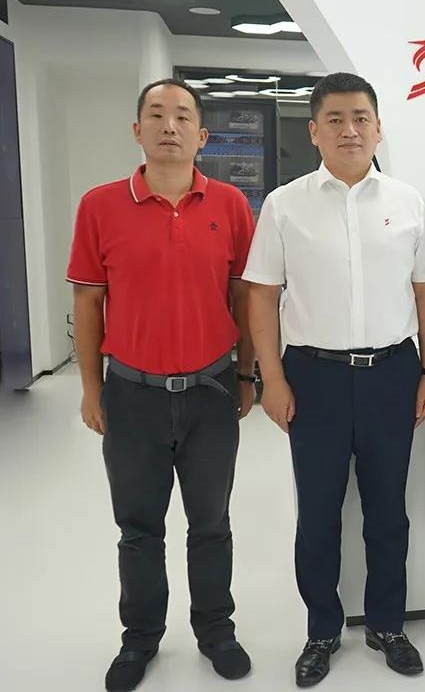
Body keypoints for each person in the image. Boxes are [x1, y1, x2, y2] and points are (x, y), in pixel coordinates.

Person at [243, 73, 425, 684]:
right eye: (335, 119)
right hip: (313, 378)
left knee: (388, 513)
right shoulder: (284, 204)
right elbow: (261, 295)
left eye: (361, 118)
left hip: (392, 374)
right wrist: (271, 379)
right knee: (318, 514)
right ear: (314, 131)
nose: (349, 130)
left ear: (379, 128)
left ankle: (387, 624)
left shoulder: (408, 201)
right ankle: (322, 630)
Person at [68, 78, 257, 691]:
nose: (169, 126)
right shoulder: (100, 206)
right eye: (156, 115)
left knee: (211, 524)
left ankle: (216, 631)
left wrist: (247, 374)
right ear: (137, 130)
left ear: (202, 136)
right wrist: (92, 389)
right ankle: (140, 637)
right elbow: (88, 302)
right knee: (139, 529)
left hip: (211, 390)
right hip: (131, 395)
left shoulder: (230, 205)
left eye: (182, 117)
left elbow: (245, 296)